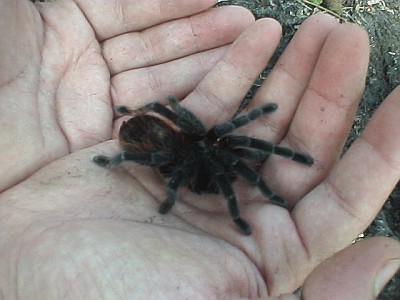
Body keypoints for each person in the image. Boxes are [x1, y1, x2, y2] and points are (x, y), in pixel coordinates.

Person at [0, 0, 399, 299]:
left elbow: (208, 131)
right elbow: (185, 139)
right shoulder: (186, 163)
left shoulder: (211, 140)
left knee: (223, 139)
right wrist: (135, 167)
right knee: (209, 148)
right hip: (157, 145)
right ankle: (118, 156)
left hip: (174, 141)